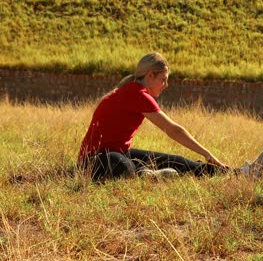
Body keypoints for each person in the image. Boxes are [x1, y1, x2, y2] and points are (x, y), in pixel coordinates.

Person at [78, 52, 227, 181]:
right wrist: (207, 154)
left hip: (119, 154)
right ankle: (147, 176)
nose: (166, 84)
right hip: (93, 162)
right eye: (163, 79)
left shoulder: (131, 90)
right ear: (150, 75)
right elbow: (172, 129)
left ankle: (236, 173)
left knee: (175, 161)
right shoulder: (137, 94)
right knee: (122, 164)